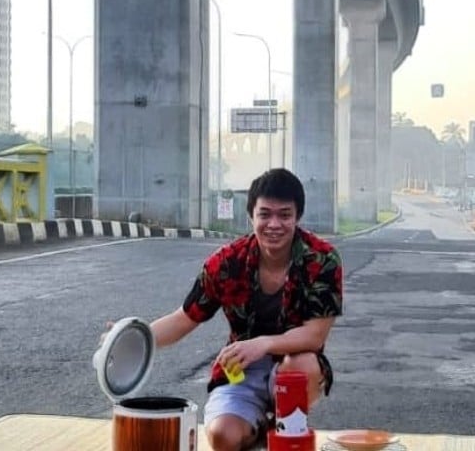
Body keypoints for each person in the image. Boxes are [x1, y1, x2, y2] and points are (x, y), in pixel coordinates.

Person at [108, 168, 343, 451]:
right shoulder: (226, 262)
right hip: (239, 370)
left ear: (298, 217)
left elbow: (314, 336)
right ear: (251, 216)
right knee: (222, 436)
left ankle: (286, 436)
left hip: (294, 366)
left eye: (285, 214)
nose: (274, 224)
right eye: (265, 214)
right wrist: (129, 337)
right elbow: (184, 318)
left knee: (299, 365)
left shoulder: (321, 258)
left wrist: (263, 344)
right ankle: (261, 429)